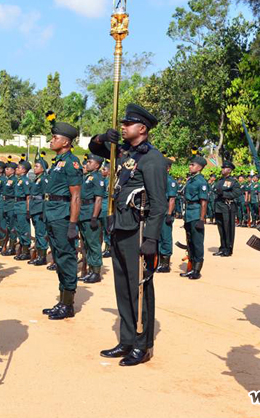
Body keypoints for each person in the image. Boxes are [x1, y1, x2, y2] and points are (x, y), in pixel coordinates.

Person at [89, 103, 167, 366]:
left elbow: (158, 203)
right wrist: (102, 138)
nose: (122, 127)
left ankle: (142, 345)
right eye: (121, 124)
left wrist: (152, 239)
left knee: (140, 288)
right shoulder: (124, 153)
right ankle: (126, 340)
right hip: (120, 227)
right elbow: (94, 148)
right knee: (122, 288)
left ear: (142, 128)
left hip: (139, 231)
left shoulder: (152, 158)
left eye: (127, 124)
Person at [40, 122, 82, 320]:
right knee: (58, 257)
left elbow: (75, 196)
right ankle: (62, 301)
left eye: (55, 138)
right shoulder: (57, 162)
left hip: (63, 216)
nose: (52, 140)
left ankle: (68, 304)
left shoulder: (72, 163)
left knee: (66, 258)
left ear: (66, 142)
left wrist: (73, 224)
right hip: (52, 214)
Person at [78, 154, 106, 283]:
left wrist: (94, 217)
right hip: (83, 213)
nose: (87, 163)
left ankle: (96, 272)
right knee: (87, 244)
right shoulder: (86, 177)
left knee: (94, 244)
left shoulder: (97, 178)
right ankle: (90, 270)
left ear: (97, 165)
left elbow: (98, 199)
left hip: (90, 213)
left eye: (90, 162)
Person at [180, 156, 208, 279]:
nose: (190, 166)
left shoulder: (201, 182)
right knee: (190, 242)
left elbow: (204, 202)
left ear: (200, 167)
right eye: (190, 164)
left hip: (196, 213)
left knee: (197, 243)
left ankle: (197, 271)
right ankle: (191, 268)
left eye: (193, 165)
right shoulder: (191, 180)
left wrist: (201, 219)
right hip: (189, 214)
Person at [213, 161, 242, 257]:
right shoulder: (220, 180)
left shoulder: (233, 182)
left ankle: (228, 249)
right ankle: (222, 247)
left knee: (228, 228)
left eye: (224, 168)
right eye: (222, 168)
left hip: (227, 207)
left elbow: (237, 193)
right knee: (221, 229)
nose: (222, 169)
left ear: (229, 170)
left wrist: (224, 194)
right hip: (218, 206)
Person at [156, 158, 178, 273]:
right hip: (157, 213)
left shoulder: (170, 181)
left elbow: (172, 199)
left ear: (168, 168)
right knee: (157, 237)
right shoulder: (157, 180)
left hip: (165, 213)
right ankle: (158, 261)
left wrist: (169, 214)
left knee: (166, 237)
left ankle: (165, 264)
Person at [28, 156, 49, 266]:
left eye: (37, 166)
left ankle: (42, 257)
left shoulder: (44, 179)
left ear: (43, 168)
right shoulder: (37, 178)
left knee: (41, 233)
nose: (34, 168)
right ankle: (39, 255)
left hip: (40, 208)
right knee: (37, 233)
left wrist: (43, 211)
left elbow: (46, 196)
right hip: (35, 208)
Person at [13, 160, 32, 261]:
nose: (16, 169)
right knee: (19, 228)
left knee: (24, 229)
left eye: (19, 168)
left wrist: (28, 210)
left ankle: (26, 251)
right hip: (17, 206)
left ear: (24, 170)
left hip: (22, 206)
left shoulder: (25, 180)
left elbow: (28, 196)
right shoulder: (18, 180)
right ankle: (21, 250)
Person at [0, 159, 18, 255]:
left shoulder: (15, 180)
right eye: (6, 169)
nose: (6, 170)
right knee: (6, 225)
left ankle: (12, 247)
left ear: (13, 170)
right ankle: (4, 245)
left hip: (11, 203)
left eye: (8, 169)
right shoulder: (7, 179)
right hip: (5, 203)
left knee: (12, 226)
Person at [99, 162, 112, 257]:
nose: (102, 171)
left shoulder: (108, 181)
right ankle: (107, 247)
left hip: (105, 206)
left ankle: (109, 248)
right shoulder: (104, 179)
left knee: (107, 228)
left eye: (104, 169)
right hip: (103, 206)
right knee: (104, 229)